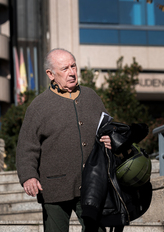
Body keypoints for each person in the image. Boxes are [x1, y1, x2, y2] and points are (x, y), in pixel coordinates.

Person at [16, 48, 111, 232]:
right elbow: (27, 146)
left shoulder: (91, 97)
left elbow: (107, 127)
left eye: (73, 66)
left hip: (92, 183)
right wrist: (29, 176)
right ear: (50, 74)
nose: (72, 73)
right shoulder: (39, 106)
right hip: (54, 186)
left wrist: (109, 139)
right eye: (65, 68)